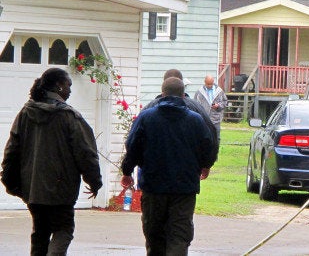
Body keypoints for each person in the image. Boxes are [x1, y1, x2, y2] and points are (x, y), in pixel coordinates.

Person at [1, 68, 102, 256]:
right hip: (61, 190)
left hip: (33, 189)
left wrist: (11, 181)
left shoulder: (25, 113)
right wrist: (94, 181)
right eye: (68, 85)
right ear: (58, 86)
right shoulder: (69, 116)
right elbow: (86, 153)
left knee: (40, 233)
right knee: (63, 230)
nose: (70, 90)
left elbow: (12, 150)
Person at [121, 77, 217, 255]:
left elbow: (132, 145)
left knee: (154, 233)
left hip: (153, 185)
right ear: (183, 95)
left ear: (162, 94)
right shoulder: (195, 120)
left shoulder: (146, 117)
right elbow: (209, 145)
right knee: (179, 235)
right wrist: (205, 165)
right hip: (184, 187)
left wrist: (127, 171)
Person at [144, 69, 218, 153]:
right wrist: (206, 163)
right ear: (182, 84)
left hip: (154, 164)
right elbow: (211, 136)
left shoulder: (149, 110)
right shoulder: (197, 109)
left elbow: (135, 139)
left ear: (163, 85)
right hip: (190, 163)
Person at [194, 74, 228, 142]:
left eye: (211, 84)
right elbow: (195, 105)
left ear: (213, 82)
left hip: (216, 119)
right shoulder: (199, 92)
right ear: (204, 82)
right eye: (208, 84)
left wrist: (218, 105)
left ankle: (216, 151)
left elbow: (225, 102)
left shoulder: (219, 91)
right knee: (203, 138)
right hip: (203, 119)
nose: (209, 86)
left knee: (216, 138)